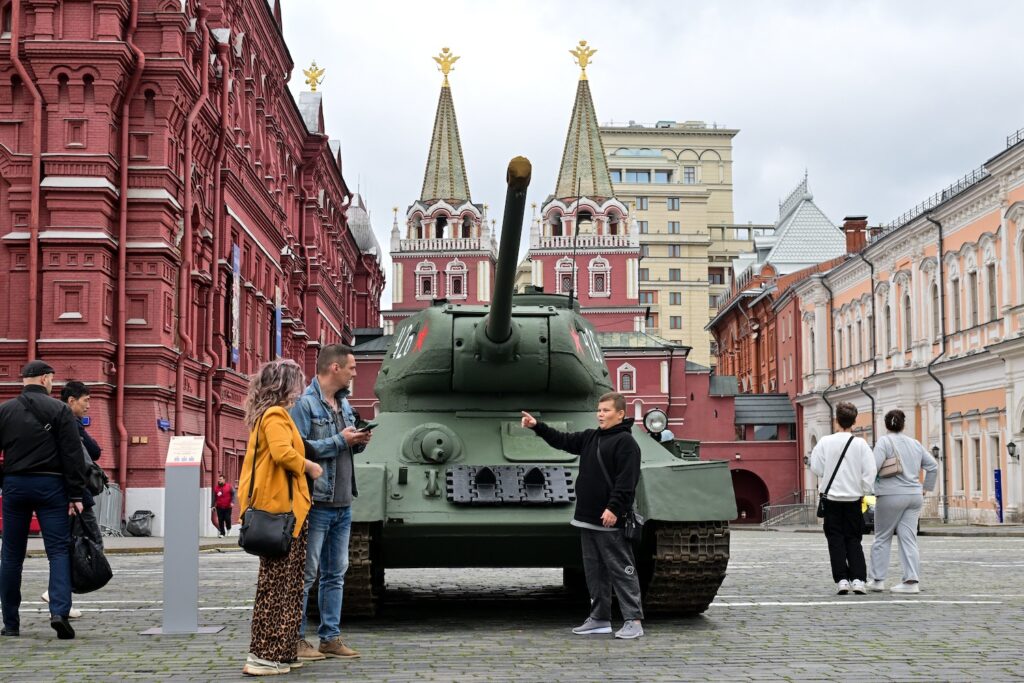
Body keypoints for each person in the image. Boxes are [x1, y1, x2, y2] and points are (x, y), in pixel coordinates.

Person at [521, 392, 644, 640]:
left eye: (606, 410)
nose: (600, 414)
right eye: (599, 410)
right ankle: (599, 618)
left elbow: (626, 481)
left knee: (621, 569)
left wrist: (614, 508)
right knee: (594, 572)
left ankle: (633, 620)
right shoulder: (591, 437)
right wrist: (538, 427)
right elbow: (563, 441)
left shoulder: (626, 443)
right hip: (587, 517)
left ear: (620, 414)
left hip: (610, 518)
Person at [240, 359, 323, 676]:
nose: (301, 390)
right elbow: (282, 453)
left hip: (289, 513)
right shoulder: (275, 415)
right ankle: (263, 655)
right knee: (277, 588)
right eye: (298, 383)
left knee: (286, 585)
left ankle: (282, 650)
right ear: (285, 385)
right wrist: (309, 466)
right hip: (280, 512)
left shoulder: (274, 416)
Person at [290, 344, 370, 661]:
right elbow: (299, 449)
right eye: (351, 367)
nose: (355, 372)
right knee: (307, 575)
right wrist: (341, 440)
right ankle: (295, 639)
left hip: (342, 502)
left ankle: (330, 637)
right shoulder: (305, 405)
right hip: (316, 502)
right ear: (334, 368)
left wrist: (359, 442)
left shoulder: (344, 404)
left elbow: (344, 450)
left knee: (336, 573)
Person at [0, 360, 88, 639]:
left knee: (11, 555)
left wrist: (3, 481)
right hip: (51, 484)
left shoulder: (5, 410)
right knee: (58, 551)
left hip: (15, 484)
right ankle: (59, 612)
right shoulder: (60, 409)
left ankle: (11, 623)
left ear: (24, 381)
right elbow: (73, 455)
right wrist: (76, 494)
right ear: (45, 379)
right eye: (52, 379)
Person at [39, 381, 103, 620]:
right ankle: (58, 593)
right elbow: (93, 451)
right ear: (71, 401)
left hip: (62, 493)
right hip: (75, 495)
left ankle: (60, 597)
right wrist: (76, 496)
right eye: (85, 400)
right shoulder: (69, 423)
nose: (88, 406)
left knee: (70, 546)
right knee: (91, 544)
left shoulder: (54, 421)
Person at [868, 409, 938, 594]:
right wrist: (926, 488)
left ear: (886, 424)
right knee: (909, 538)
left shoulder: (884, 442)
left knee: (882, 537)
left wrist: (867, 487)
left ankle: (877, 579)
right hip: (914, 496)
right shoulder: (915, 444)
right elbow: (933, 466)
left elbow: (872, 467)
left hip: (890, 495)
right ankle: (911, 581)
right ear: (903, 424)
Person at [810, 401, 877, 595]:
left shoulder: (824, 442)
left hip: (831, 499)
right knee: (854, 539)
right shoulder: (861, 444)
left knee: (835, 540)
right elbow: (870, 471)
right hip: (853, 499)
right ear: (854, 421)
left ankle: (842, 580)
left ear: (836, 420)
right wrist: (864, 489)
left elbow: (816, 468)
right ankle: (858, 579)